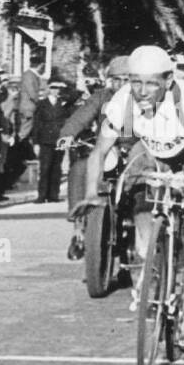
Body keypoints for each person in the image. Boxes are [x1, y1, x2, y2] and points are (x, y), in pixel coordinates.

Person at [74, 45, 184, 348]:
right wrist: (91, 194)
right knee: (142, 219)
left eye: (151, 83)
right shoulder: (123, 102)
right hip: (156, 155)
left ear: (168, 80)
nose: (142, 90)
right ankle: (153, 273)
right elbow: (99, 152)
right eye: (135, 81)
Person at [58, 56, 130, 259]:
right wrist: (67, 135)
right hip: (105, 150)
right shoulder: (100, 97)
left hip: (134, 151)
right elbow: (81, 116)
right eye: (117, 79)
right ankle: (78, 228)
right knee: (79, 169)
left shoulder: (142, 97)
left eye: (126, 79)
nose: (121, 84)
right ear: (110, 80)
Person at [31, 81, 69, 203]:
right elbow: (36, 123)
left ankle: (53, 195)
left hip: (58, 139)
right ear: (49, 88)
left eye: (58, 88)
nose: (55, 90)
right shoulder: (41, 104)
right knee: (45, 168)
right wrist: (35, 142)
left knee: (56, 168)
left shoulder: (63, 104)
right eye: (53, 88)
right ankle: (42, 195)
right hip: (45, 139)